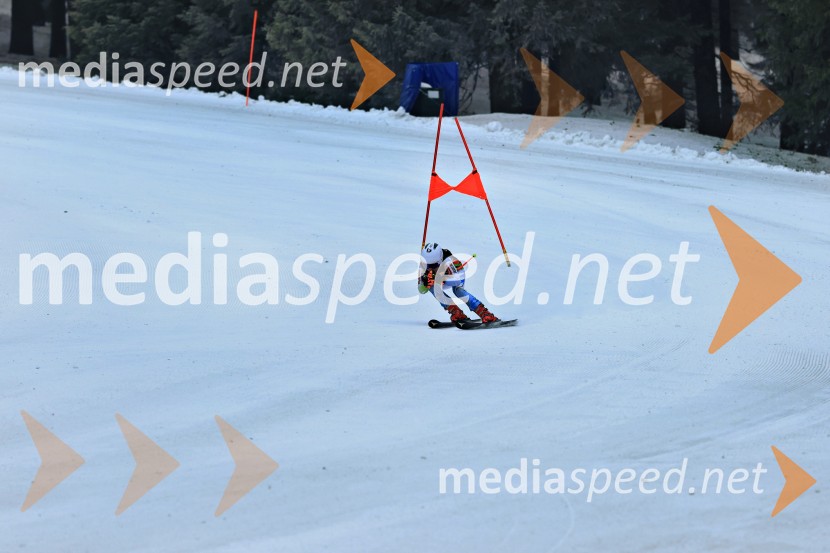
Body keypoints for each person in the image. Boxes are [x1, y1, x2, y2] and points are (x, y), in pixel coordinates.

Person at [418, 242, 499, 323]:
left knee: (458, 291)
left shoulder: (449, 260)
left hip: (456, 275)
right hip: (442, 278)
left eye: (434, 265)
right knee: (432, 287)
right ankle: (456, 312)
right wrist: (424, 283)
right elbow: (421, 290)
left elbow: (457, 281)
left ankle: (484, 313)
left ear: (440, 259)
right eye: (428, 265)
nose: (430, 268)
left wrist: (441, 279)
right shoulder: (423, 264)